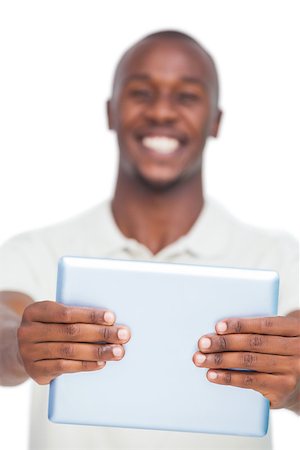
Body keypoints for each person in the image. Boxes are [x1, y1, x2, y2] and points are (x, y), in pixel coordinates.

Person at [0, 30, 299, 450]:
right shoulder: (35, 250)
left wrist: (295, 383)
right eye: (141, 93)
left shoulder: (278, 257)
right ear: (110, 112)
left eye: (187, 96)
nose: (162, 111)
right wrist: (18, 345)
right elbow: (3, 320)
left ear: (215, 120)